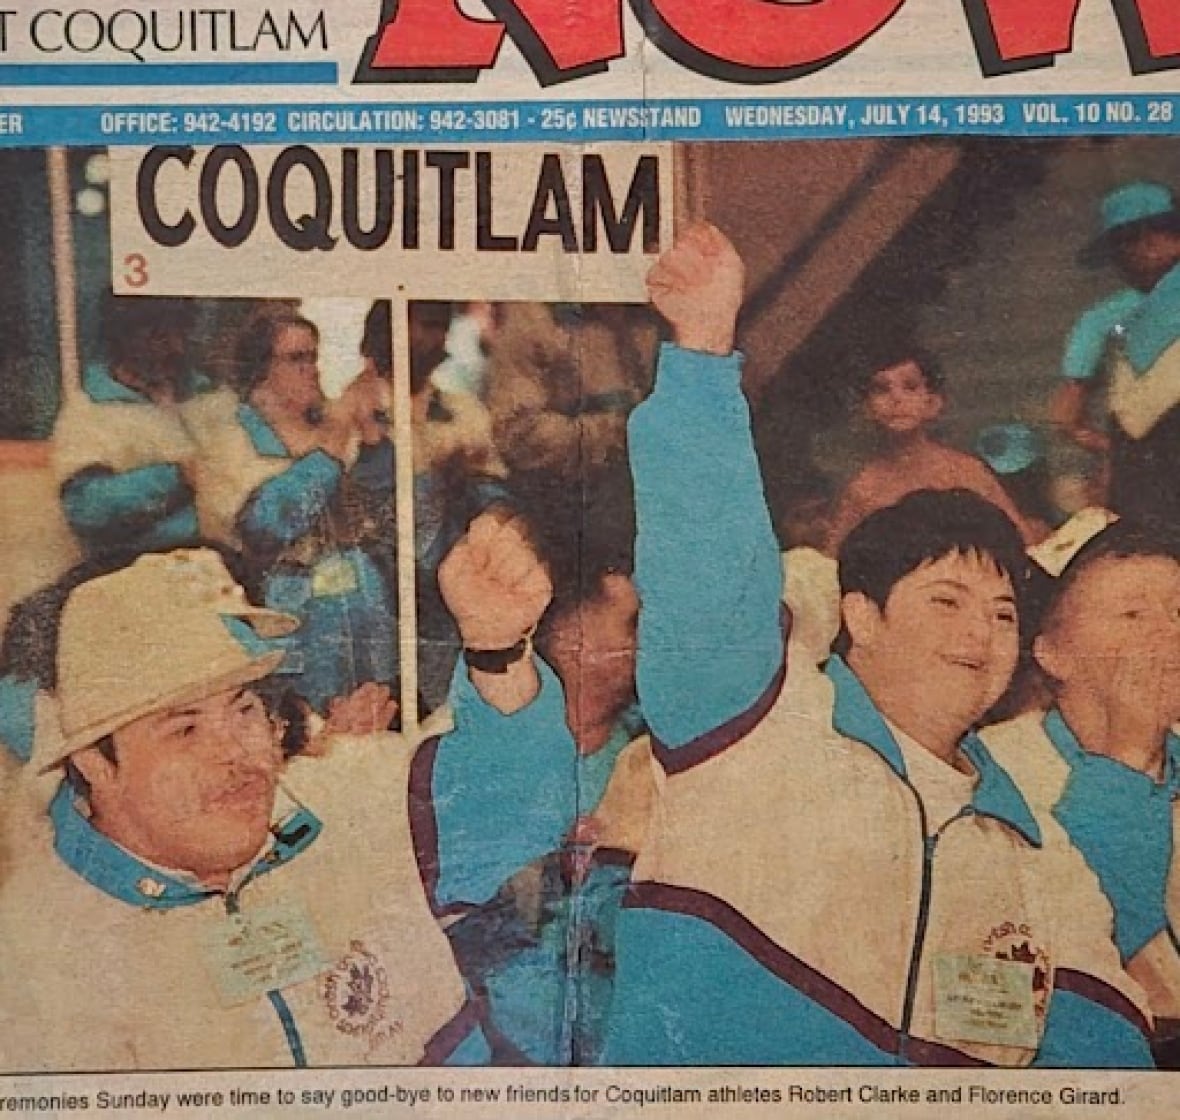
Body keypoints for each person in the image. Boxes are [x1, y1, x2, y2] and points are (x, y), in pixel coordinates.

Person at [599, 225, 1151, 1067]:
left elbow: (1103, 1056)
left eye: (1005, 614)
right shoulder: (757, 729)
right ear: (862, 614)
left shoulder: (1034, 848)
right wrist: (704, 353)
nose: (981, 633)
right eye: (946, 600)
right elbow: (710, 574)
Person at [983, 519, 1180, 1063]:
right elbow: (1019, 988)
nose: (1168, 633)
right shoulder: (995, 770)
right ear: (1051, 653)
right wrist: (1128, 755)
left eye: (1179, 612)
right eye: (1133, 615)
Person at [183, 310, 395, 714]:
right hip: (285, 623)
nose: (312, 371)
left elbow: (388, 511)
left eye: (314, 358)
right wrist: (329, 452)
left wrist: (372, 440)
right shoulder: (230, 441)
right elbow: (268, 525)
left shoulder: (331, 427)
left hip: (363, 618)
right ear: (261, 368)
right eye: (297, 359)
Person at [1051, 181, 1180, 523]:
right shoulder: (1104, 319)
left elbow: (1066, 417)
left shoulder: (1100, 319)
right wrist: (1119, 452)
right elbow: (1067, 415)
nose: (1132, 254)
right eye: (1125, 244)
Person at [826, 350, 1038, 551]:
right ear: (867, 408)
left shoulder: (967, 472)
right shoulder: (863, 489)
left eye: (910, 387)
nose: (896, 399)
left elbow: (1022, 540)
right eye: (881, 389)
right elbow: (831, 565)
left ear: (932, 403)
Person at [53, 296, 208, 559]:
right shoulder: (91, 412)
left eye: (181, 332)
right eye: (160, 336)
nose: (177, 348)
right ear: (124, 338)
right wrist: (177, 477)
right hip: (141, 568)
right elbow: (87, 509)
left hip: (221, 563)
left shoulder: (204, 394)